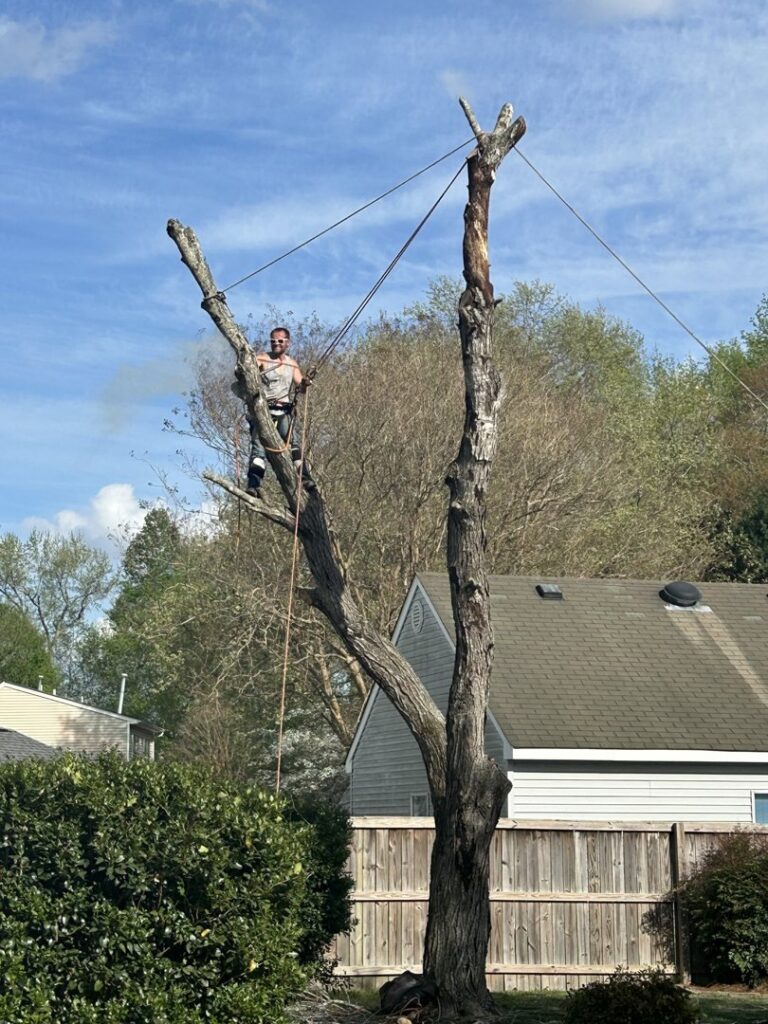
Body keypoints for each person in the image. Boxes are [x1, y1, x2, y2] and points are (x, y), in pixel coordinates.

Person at [243, 327, 314, 496]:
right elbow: (247, 371)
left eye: (280, 341)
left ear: (287, 343)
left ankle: (304, 478)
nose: (276, 344)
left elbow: (300, 387)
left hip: (284, 411)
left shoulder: (291, 363)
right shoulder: (261, 358)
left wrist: (305, 382)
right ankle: (254, 483)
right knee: (259, 448)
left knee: (294, 445)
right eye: (273, 341)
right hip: (263, 410)